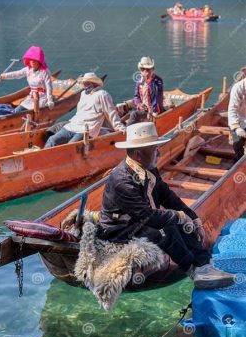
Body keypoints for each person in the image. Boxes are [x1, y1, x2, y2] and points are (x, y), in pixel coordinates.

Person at [97, 122, 235, 290]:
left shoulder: (148, 169)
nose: (159, 151)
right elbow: (146, 216)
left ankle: (204, 266)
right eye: (154, 148)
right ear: (139, 155)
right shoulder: (122, 181)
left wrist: (193, 217)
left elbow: (167, 196)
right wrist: (179, 217)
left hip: (138, 222)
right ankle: (194, 271)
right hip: (119, 230)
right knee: (166, 229)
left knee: (180, 222)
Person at [44, 72, 126, 148]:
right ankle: (43, 160)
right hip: (73, 125)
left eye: (87, 83)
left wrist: (119, 127)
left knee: (71, 146)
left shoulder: (102, 94)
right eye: (84, 83)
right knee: (52, 139)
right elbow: (79, 111)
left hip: (87, 129)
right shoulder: (83, 94)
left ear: (94, 84)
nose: (85, 85)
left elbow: (111, 112)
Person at [0, 46, 54, 113]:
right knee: (16, 111)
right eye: (31, 60)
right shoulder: (28, 70)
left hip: (42, 98)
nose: (32, 62)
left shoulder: (45, 72)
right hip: (31, 97)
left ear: (39, 61)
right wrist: (1, 76)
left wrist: (50, 100)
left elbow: (49, 87)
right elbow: (16, 74)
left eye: (34, 60)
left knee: (32, 112)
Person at [127, 57, 164, 126]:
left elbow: (157, 97)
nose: (145, 71)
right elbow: (136, 96)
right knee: (129, 113)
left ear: (152, 69)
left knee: (133, 114)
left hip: (154, 110)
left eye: (147, 69)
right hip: (143, 109)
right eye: (142, 69)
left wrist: (153, 113)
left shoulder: (158, 81)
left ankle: (126, 131)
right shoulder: (139, 82)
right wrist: (139, 105)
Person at [228, 77, 246, 161]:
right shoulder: (238, 87)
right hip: (239, 120)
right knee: (237, 143)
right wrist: (237, 127)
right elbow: (232, 110)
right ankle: (240, 161)